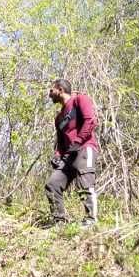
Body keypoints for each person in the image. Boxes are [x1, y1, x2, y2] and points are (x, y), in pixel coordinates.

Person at [45, 79, 99, 226]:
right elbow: (61, 142)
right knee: (53, 184)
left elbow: (90, 121)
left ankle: (90, 221)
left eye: (51, 91)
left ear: (60, 90)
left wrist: (78, 141)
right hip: (68, 155)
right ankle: (59, 222)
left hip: (85, 148)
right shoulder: (59, 118)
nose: (49, 95)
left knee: (85, 184)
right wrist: (57, 155)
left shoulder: (80, 99)